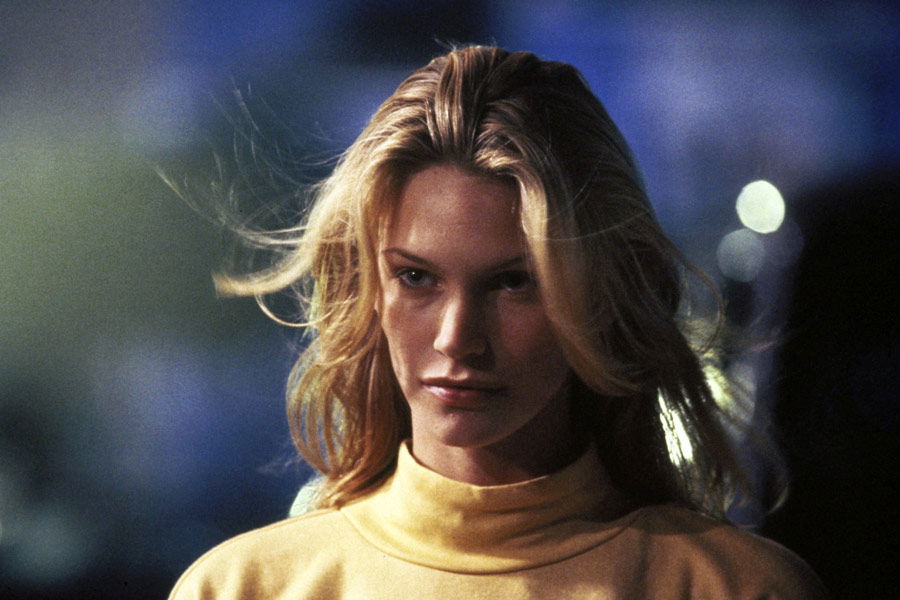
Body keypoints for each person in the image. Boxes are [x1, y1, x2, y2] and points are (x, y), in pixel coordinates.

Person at [168, 46, 826, 599]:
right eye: (416, 277)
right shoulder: (241, 587)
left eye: (515, 283)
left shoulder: (734, 587)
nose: (457, 338)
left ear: (604, 294)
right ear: (366, 290)